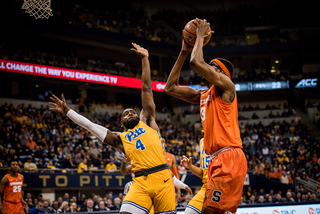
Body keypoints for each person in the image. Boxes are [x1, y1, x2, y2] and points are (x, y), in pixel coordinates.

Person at [49, 43, 175, 214]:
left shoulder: (148, 121)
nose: (130, 113)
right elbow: (90, 126)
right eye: (126, 114)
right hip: (140, 183)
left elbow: (146, 88)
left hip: (163, 179)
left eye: (132, 112)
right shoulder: (119, 138)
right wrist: (68, 111)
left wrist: (145, 59)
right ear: (121, 124)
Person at [164, 18, 247, 214]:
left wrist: (199, 36)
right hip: (215, 160)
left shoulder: (227, 86)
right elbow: (170, 88)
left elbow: (196, 62)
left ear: (222, 74)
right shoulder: (203, 95)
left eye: (213, 67)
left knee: (210, 212)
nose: (208, 68)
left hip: (229, 156)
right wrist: (184, 51)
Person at [180, 138, 209, 214]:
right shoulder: (202, 141)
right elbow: (204, 174)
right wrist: (190, 167)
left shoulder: (223, 137)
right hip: (206, 187)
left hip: (221, 187)